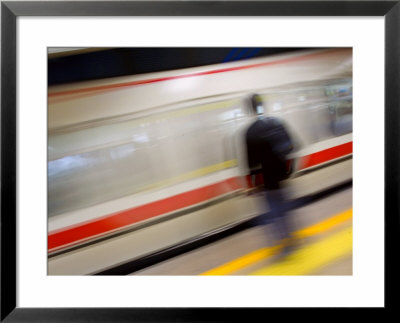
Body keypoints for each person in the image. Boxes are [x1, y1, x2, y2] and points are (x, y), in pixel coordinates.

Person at [245, 94, 295, 258]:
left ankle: (283, 248)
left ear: (249, 109)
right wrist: (289, 172)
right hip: (282, 177)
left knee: (273, 215)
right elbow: (292, 147)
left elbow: (251, 164)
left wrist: (252, 185)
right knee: (285, 211)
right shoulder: (276, 123)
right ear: (262, 105)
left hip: (267, 182)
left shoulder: (250, 132)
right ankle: (292, 240)